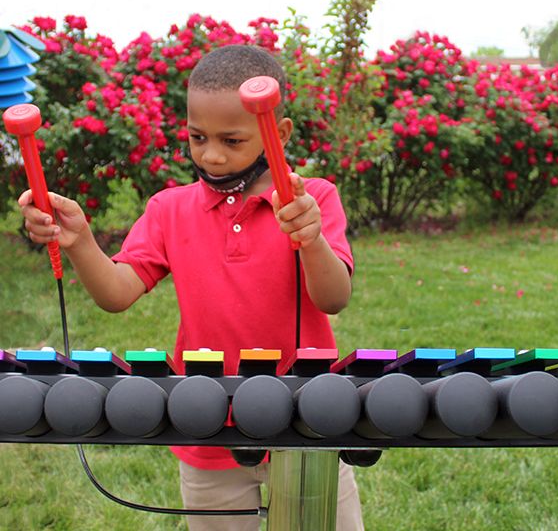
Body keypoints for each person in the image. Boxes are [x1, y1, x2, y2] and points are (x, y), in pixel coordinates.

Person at [18, 44, 363, 531]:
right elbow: (117, 294)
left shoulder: (314, 199)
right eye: (197, 137)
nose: (212, 155)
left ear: (276, 133)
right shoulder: (169, 209)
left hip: (309, 420)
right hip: (207, 424)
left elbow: (334, 298)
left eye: (232, 140)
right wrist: (79, 241)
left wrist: (310, 240)